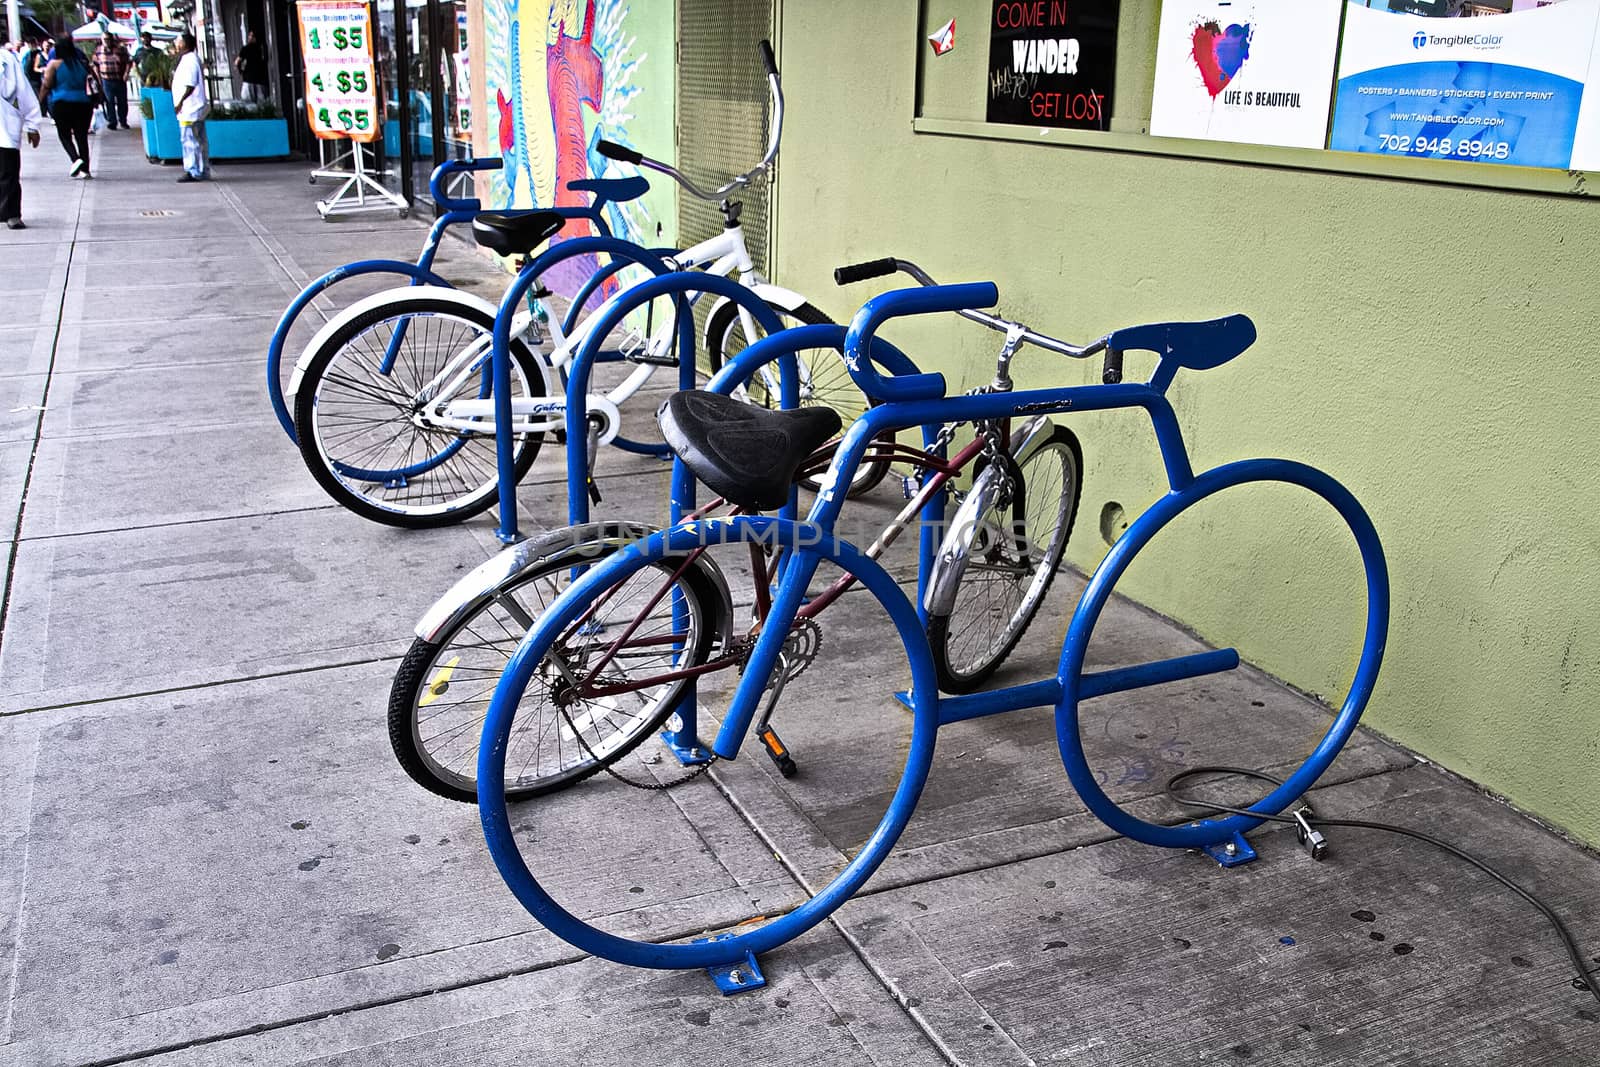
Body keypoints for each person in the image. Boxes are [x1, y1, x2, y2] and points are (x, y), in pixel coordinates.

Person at [2, 37, 44, 229]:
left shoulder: (6, 60)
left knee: (9, 172)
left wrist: (32, 124)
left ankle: (12, 214)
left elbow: (23, 91)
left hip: (4, 124)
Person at [39, 35, 95, 179]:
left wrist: (40, 100)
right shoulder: (82, 63)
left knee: (64, 135)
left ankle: (76, 159)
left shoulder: (53, 64)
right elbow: (93, 81)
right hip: (83, 103)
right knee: (81, 136)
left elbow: (47, 85)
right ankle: (86, 169)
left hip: (61, 103)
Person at [171, 32, 209, 183]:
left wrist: (180, 102)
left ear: (184, 44)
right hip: (191, 109)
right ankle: (200, 169)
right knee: (197, 139)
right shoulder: (188, 59)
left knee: (190, 140)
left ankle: (193, 170)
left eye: (178, 42)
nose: (176, 45)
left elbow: (190, 84)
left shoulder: (190, 61)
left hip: (190, 109)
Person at [92, 33, 131, 130]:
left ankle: (123, 121)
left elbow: (128, 62)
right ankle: (112, 121)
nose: (106, 41)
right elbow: (95, 65)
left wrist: (126, 73)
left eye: (108, 39)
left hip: (119, 79)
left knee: (122, 101)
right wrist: (98, 79)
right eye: (104, 39)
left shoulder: (120, 50)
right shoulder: (98, 50)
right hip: (106, 80)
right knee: (109, 102)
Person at [233, 30, 268, 103]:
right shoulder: (262, 48)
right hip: (260, 79)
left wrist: (241, 71)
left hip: (248, 79)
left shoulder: (246, 48)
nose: (250, 37)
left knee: (248, 104)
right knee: (262, 104)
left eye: (251, 36)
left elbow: (237, 62)